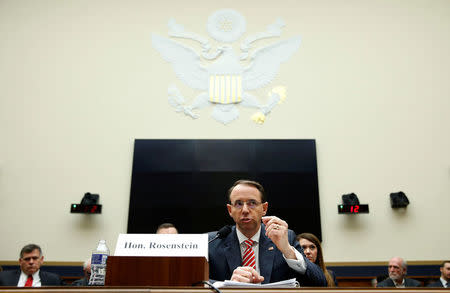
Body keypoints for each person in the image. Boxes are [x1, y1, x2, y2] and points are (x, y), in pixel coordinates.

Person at [208, 179, 326, 286]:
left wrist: (287, 250)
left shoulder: (285, 237)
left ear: (264, 208)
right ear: (230, 210)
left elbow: (321, 282)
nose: (245, 210)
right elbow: (194, 282)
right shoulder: (212, 242)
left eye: (252, 203)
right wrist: (227, 286)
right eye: (238, 204)